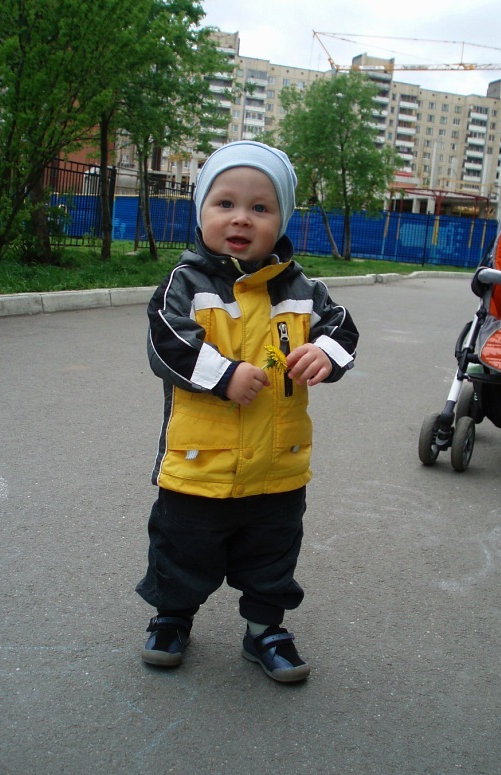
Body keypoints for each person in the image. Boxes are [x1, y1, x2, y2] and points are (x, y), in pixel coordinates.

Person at [136, 140, 359, 683]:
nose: (241, 218)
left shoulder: (302, 290)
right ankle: (171, 617)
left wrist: (325, 352)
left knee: (272, 555)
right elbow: (166, 340)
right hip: (200, 463)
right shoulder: (186, 284)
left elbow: (342, 327)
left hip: (278, 466)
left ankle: (265, 630)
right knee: (181, 548)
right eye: (225, 203)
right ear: (201, 212)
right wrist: (223, 374)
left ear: (281, 220)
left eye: (260, 207)